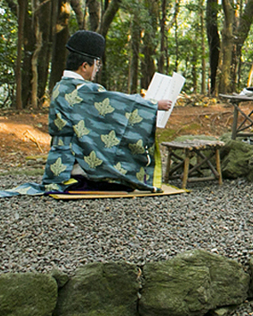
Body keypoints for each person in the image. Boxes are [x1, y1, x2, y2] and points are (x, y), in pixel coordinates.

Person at [1, 30, 172, 196]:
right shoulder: (83, 90)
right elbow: (116, 101)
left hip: (59, 162)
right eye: (97, 65)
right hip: (75, 161)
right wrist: (153, 104)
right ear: (84, 66)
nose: (97, 69)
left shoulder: (61, 86)